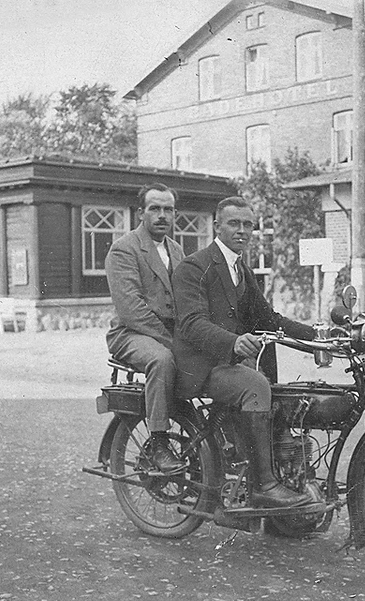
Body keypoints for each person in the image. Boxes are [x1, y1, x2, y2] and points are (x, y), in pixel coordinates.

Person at [173, 196, 316, 508]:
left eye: (248, 224)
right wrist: (233, 342)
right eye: (233, 223)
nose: (241, 230)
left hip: (229, 362)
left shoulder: (242, 270)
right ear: (217, 226)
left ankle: (286, 478)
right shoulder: (194, 267)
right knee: (256, 385)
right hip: (200, 365)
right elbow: (191, 324)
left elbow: (268, 319)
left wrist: (316, 334)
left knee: (288, 392)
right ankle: (264, 485)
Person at [106, 183, 186, 474]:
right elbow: (132, 310)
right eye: (155, 209)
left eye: (168, 209)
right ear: (141, 213)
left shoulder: (176, 249)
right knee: (162, 359)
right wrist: (173, 342)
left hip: (169, 333)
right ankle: (159, 442)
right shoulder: (124, 249)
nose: (162, 215)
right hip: (131, 333)